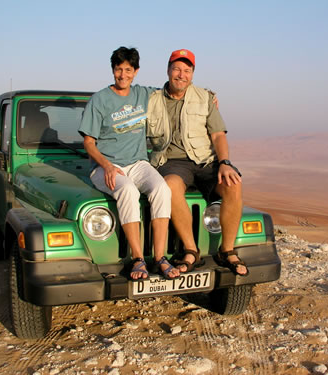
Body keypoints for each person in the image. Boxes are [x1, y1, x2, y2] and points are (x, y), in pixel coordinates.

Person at [79, 47, 179, 280]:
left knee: (162, 189)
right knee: (126, 190)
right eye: (118, 69)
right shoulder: (100, 100)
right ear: (112, 70)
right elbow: (88, 142)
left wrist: (208, 94)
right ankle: (137, 258)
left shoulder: (143, 95)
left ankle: (160, 257)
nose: (122, 75)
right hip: (105, 166)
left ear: (135, 72)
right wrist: (106, 166)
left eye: (127, 70)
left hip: (138, 163)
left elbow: (174, 90)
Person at [147, 49, 248, 276]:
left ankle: (227, 250)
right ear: (168, 70)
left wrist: (225, 162)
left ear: (192, 74)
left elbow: (218, 135)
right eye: (177, 69)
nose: (181, 75)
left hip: (205, 161)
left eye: (187, 70)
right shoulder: (150, 100)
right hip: (171, 161)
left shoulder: (204, 98)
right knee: (170, 187)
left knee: (234, 183)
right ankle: (191, 250)